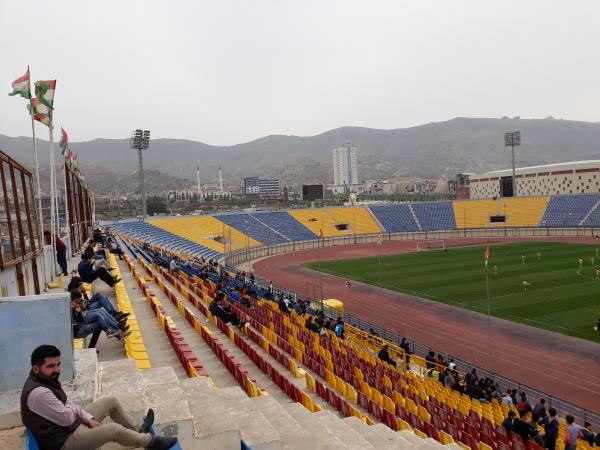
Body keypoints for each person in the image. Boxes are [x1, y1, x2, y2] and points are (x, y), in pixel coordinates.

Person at [21, 345, 177, 450]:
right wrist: (73, 411)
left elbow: (69, 404)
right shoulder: (39, 393)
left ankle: (138, 430)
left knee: (111, 401)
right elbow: (67, 418)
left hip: (70, 426)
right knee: (113, 430)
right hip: (64, 440)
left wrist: (87, 418)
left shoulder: (46, 380)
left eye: (58, 364)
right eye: (50, 366)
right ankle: (150, 442)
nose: (57, 370)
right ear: (35, 368)